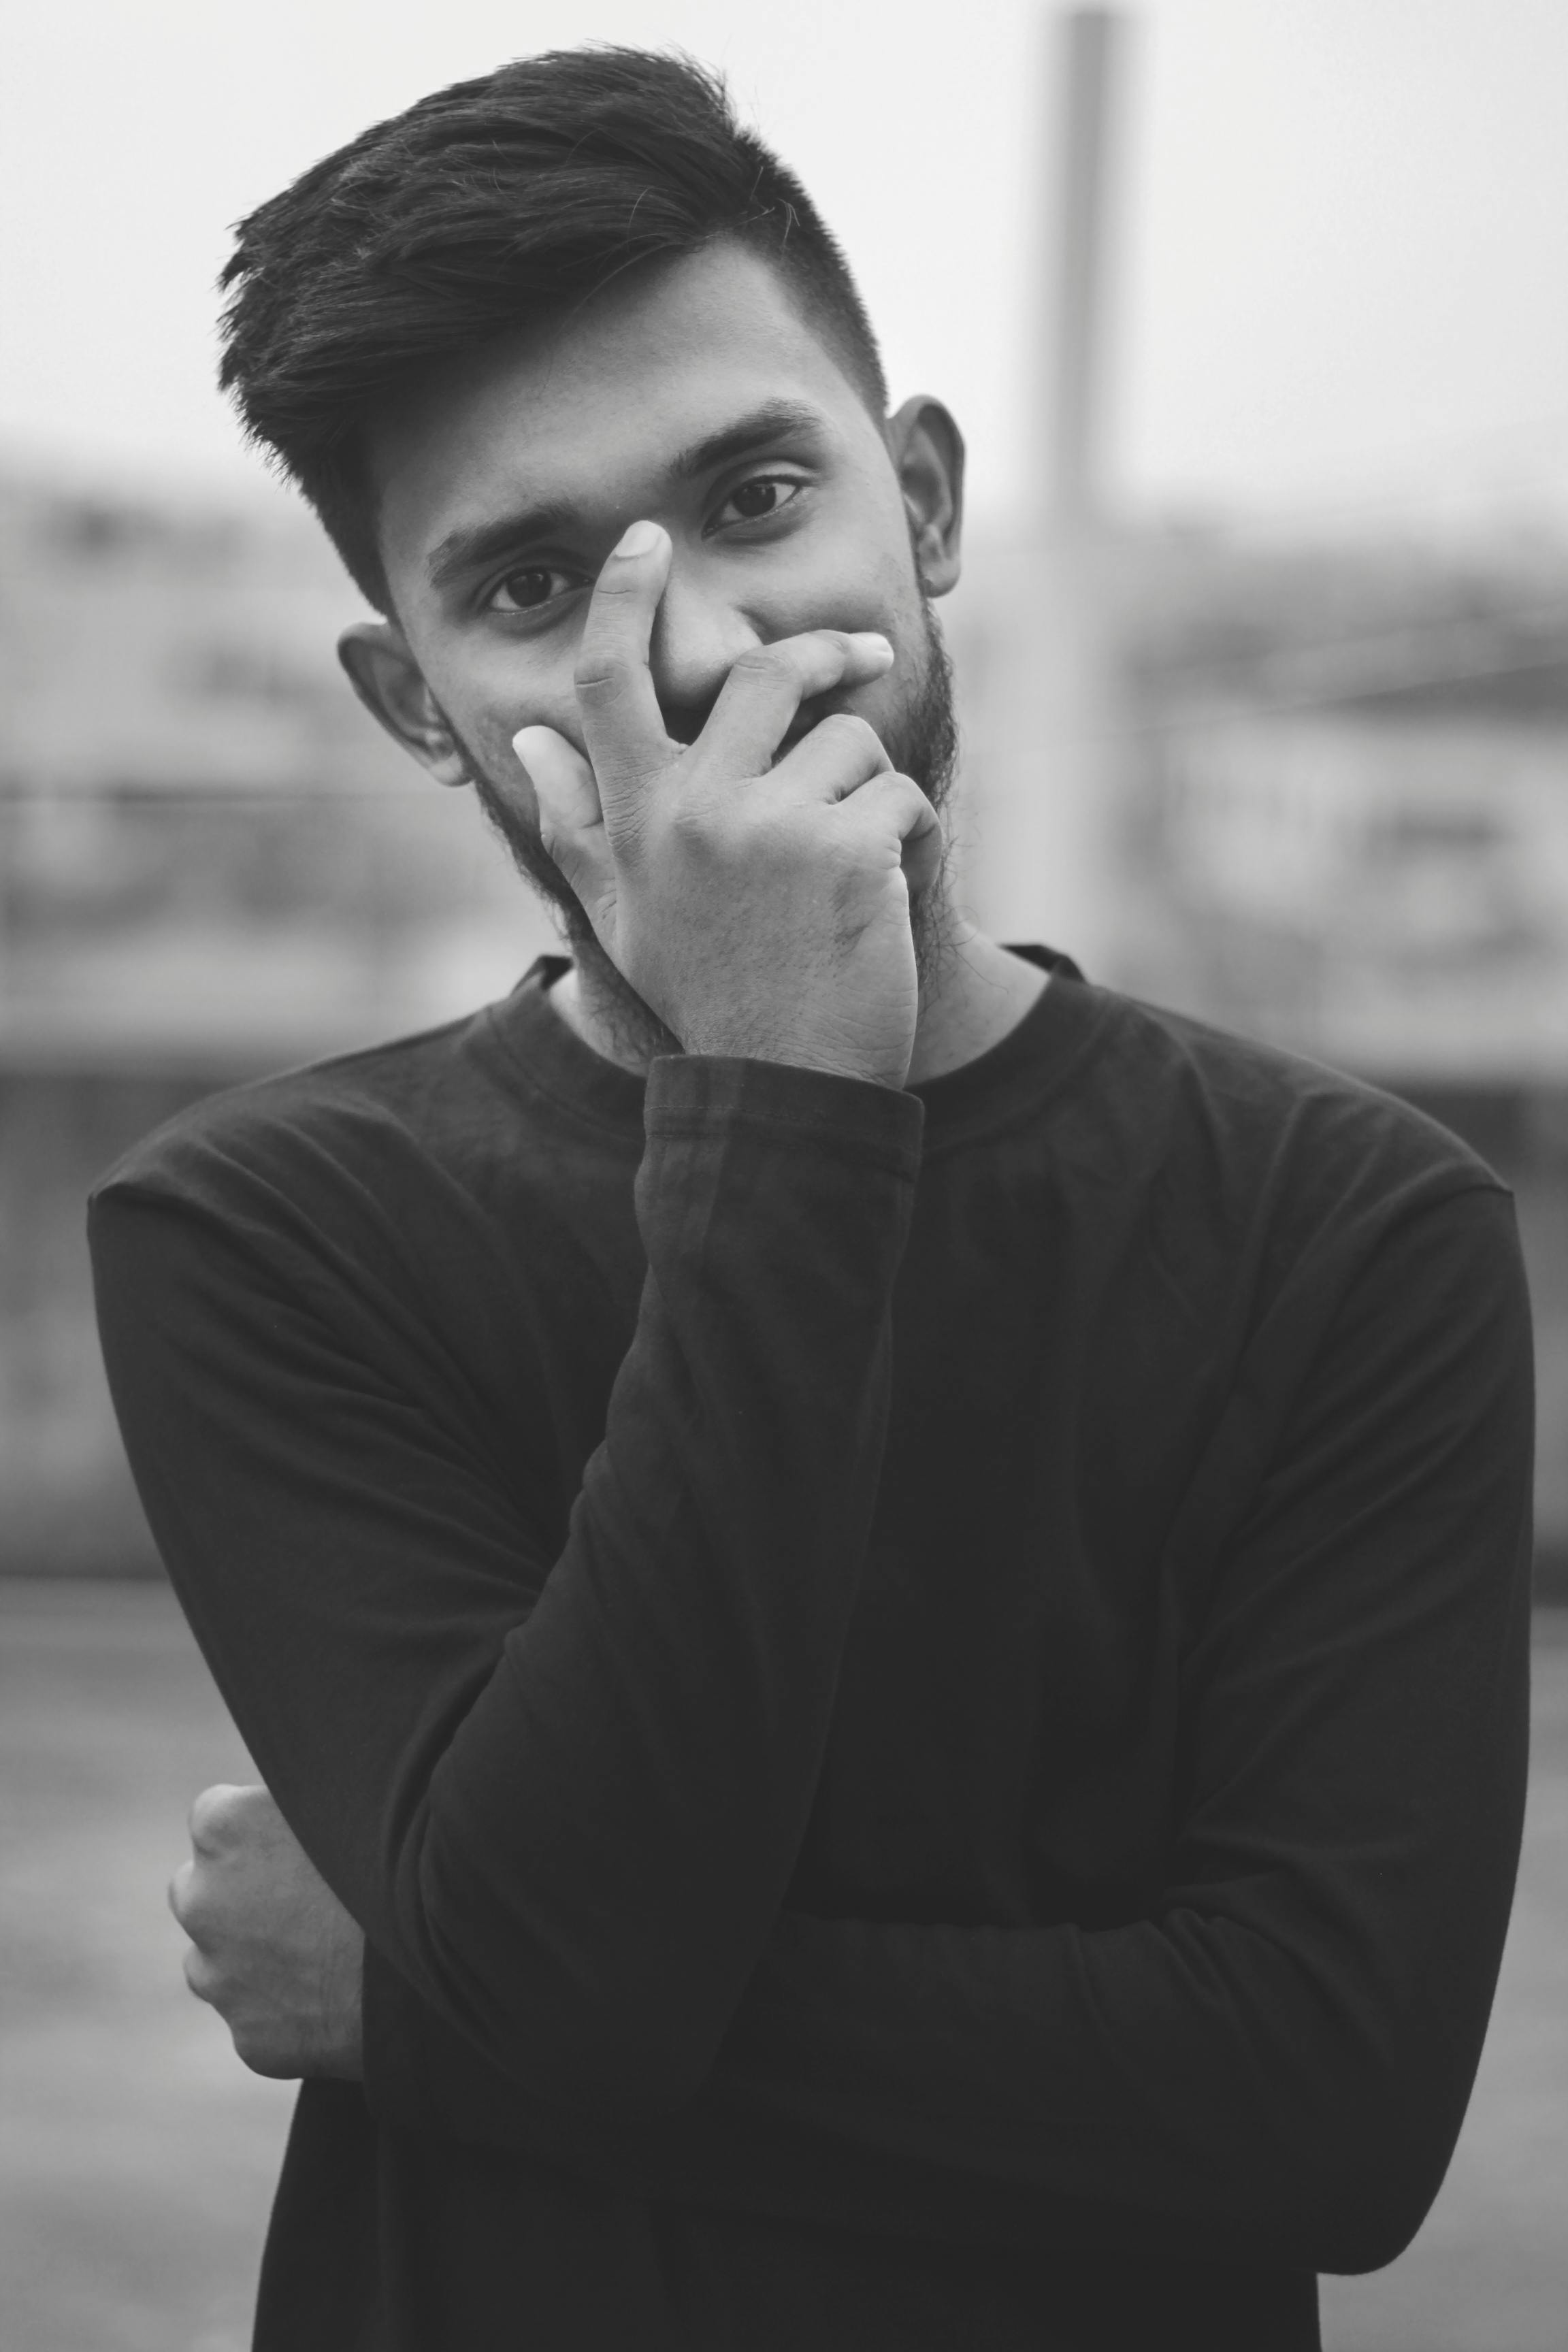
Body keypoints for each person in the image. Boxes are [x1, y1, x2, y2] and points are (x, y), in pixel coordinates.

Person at [88, 46, 1534, 2352]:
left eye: (756, 494)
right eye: (533, 579)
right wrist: (786, 1090)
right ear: (410, 703)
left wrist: (415, 1993)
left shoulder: (1351, 1235)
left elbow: (1322, 2111)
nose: (679, 645)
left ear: (928, 502)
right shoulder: (266, 1233)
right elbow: (566, 1966)